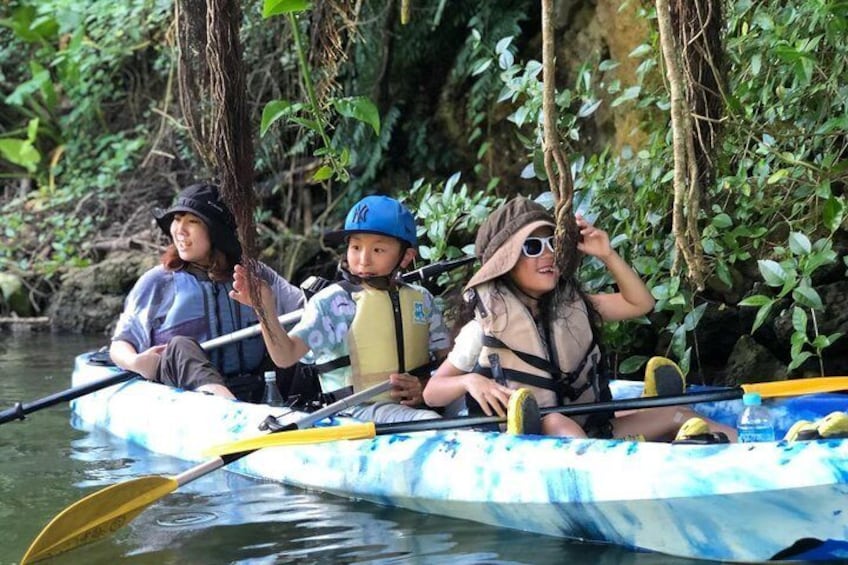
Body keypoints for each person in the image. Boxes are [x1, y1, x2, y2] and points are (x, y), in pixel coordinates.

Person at [423, 196, 737, 442]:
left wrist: (606, 254)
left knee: (676, 414)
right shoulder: (481, 329)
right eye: (532, 247)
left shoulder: (575, 307)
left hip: (595, 431)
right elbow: (432, 392)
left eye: (552, 244)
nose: (547, 254)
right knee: (558, 422)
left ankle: (749, 445)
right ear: (505, 265)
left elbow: (639, 303)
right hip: (535, 441)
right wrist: (470, 380)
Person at [230, 195, 450, 423]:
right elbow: (285, 355)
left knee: (467, 406)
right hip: (356, 412)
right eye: (356, 247)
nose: (363, 260)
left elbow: (447, 361)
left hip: (419, 404)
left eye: (378, 250)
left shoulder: (421, 299)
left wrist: (426, 385)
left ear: (406, 257)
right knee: (429, 419)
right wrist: (264, 308)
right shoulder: (336, 302)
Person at [110, 183, 305, 401]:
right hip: (187, 392)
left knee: (288, 341)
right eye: (176, 220)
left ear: (216, 233)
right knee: (180, 346)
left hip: (257, 383)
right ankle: (226, 404)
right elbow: (120, 343)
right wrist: (135, 362)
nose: (179, 230)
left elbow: (305, 311)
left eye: (192, 221)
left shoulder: (255, 275)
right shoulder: (157, 282)